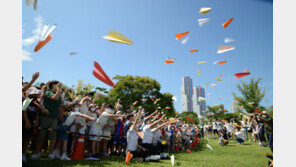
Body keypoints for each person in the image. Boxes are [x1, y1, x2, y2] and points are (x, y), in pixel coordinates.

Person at [32, 81, 67, 160]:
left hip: (55, 117)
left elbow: (61, 105)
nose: (59, 86)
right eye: (57, 85)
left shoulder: (59, 95)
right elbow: (54, 98)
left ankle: (50, 154)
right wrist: (58, 90)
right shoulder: (49, 92)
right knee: (41, 134)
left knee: (53, 136)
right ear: (52, 85)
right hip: (45, 116)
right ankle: (37, 153)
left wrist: (71, 105)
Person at [22, 87, 48, 162]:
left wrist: (43, 109)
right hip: (25, 122)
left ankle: (23, 154)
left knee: (27, 139)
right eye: (35, 93)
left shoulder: (33, 102)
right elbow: (23, 110)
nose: (37, 95)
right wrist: (27, 121)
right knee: (23, 139)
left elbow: (36, 107)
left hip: (30, 123)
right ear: (31, 94)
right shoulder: (26, 100)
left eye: (37, 94)